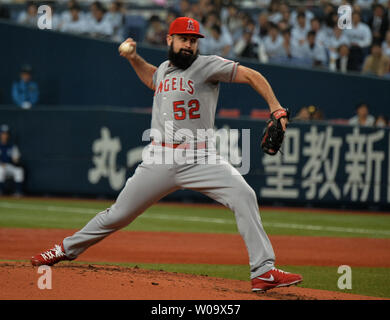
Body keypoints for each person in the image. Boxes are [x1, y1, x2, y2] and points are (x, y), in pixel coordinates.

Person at [31, 16, 303, 293]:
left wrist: (277, 108)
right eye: (184, 39)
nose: (189, 45)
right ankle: (64, 249)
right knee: (118, 215)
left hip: (201, 157)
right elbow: (152, 78)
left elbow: (251, 75)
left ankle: (263, 271)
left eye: (194, 40)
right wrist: (134, 58)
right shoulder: (163, 70)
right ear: (169, 39)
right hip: (160, 158)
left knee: (244, 195)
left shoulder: (206, 65)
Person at [0, 125, 24, 196]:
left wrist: (16, 159)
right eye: (3, 133)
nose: (4, 135)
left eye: (6, 133)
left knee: (19, 170)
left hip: (9, 166)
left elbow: (16, 160)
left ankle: (18, 192)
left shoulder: (12, 146)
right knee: (1, 170)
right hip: (1, 166)